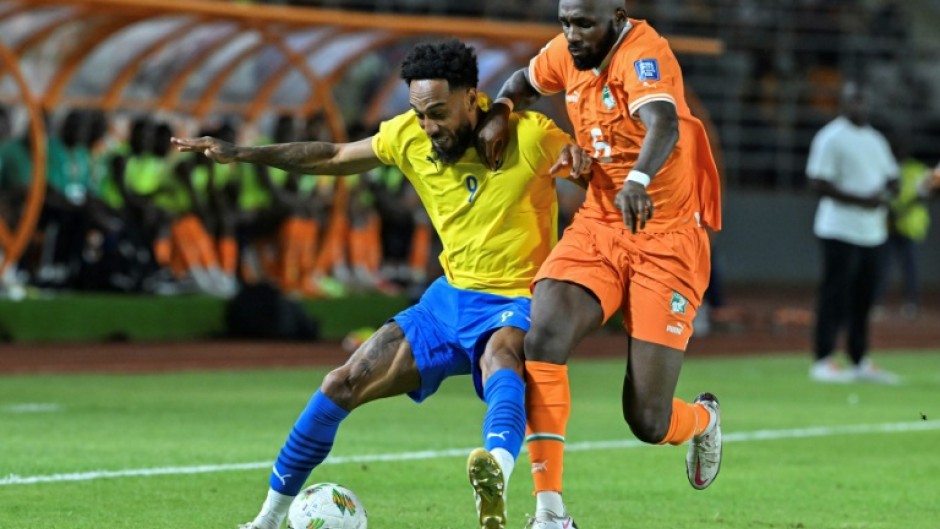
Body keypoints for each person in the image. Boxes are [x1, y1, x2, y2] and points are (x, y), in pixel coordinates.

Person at [172, 39, 589, 529]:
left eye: (438, 112)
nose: (429, 126)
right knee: (342, 382)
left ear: (473, 96)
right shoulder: (408, 136)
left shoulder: (532, 137)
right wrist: (244, 153)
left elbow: (603, 183)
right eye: (420, 113)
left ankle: (493, 475)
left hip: (516, 297)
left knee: (503, 357)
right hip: (446, 301)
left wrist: (591, 166)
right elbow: (331, 156)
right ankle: (265, 521)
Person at [475, 1, 724, 527]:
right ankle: (550, 512)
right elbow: (523, 79)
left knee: (648, 419)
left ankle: (702, 420)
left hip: (667, 239)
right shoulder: (567, 54)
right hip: (600, 227)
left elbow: (663, 124)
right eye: (565, 22)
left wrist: (636, 180)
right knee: (544, 335)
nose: (572, 35)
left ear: (616, 15)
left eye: (584, 23)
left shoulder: (644, 53)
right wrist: (500, 109)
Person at [806, 80, 900, 384]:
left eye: (863, 100)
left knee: (865, 297)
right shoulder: (830, 137)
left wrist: (890, 189)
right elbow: (818, 182)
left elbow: (891, 177)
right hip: (838, 228)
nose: (859, 105)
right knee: (834, 294)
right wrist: (863, 199)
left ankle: (859, 359)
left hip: (872, 231)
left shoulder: (876, 140)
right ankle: (823, 359)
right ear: (843, 103)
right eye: (853, 100)